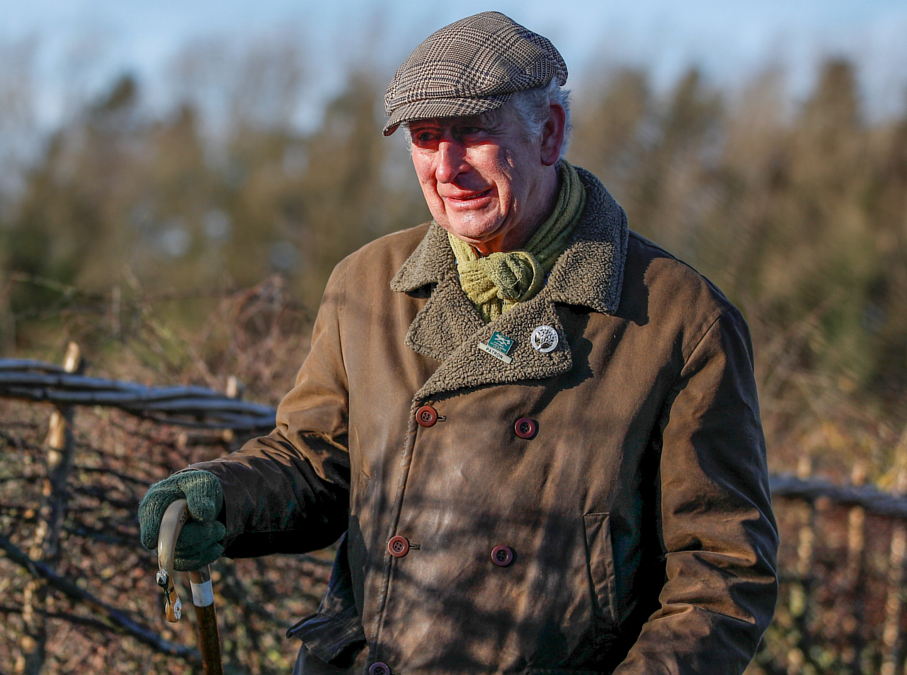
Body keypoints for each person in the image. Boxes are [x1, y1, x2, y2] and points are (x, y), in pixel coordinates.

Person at [139, 11, 778, 675]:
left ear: (549, 133)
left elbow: (722, 572)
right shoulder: (365, 285)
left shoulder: (678, 318)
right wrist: (220, 493)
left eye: (473, 133)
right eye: (425, 137)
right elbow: (315, 461)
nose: (447, 167)